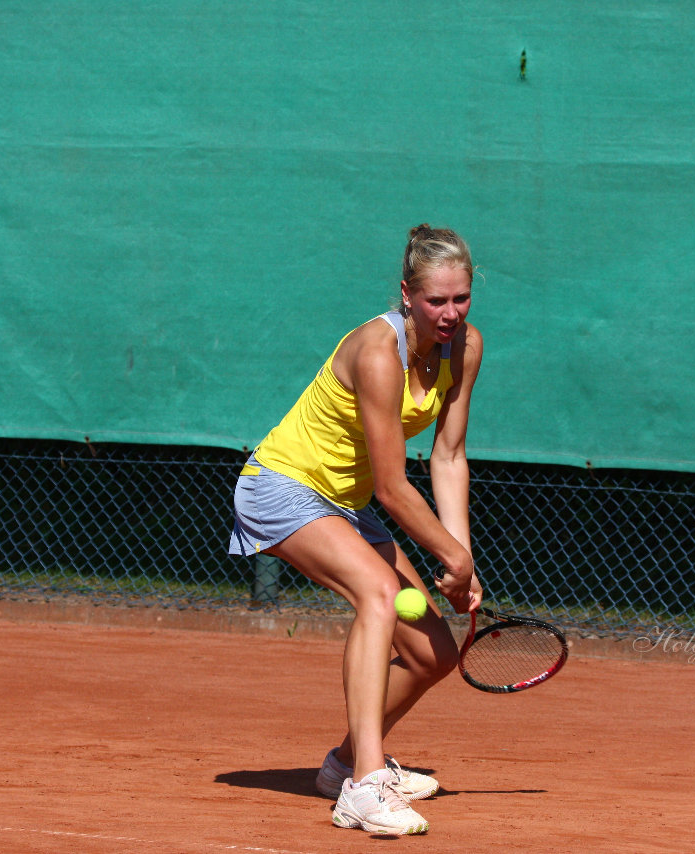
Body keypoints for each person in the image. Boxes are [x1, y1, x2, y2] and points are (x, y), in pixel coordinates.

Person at [228, 224, 483, 835]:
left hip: (346, 501)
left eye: (461, 299)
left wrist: (461, 558)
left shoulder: (465, 348)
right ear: (406, 294)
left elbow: (448, 457)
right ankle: (364, 788)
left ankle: (341, 762)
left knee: (432, 653)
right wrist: (448, 553)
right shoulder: (377, 352)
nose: (450, 314)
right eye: (436, 301)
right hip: (283, 487)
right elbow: (395, 486)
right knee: (376, 592)